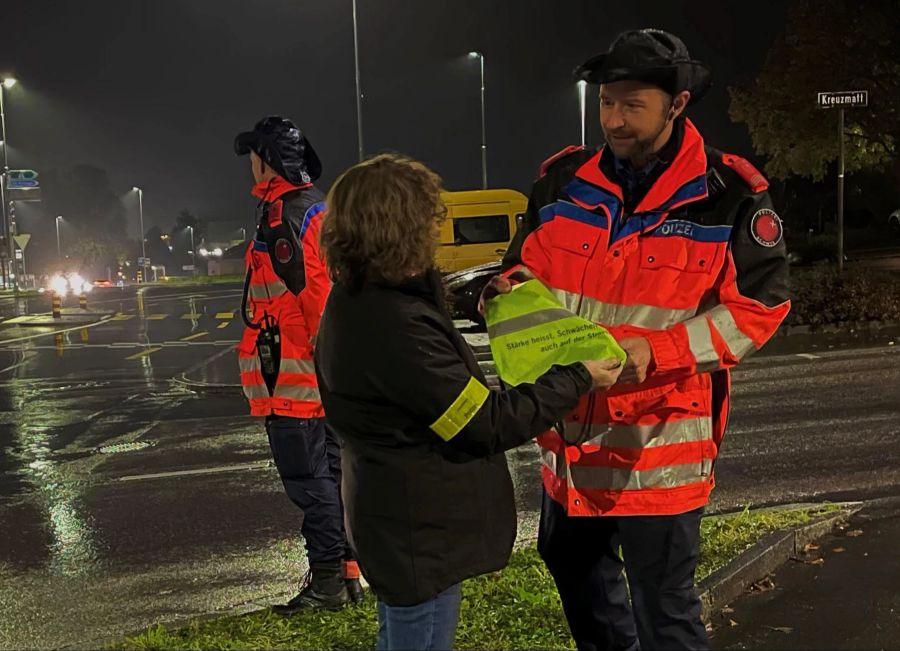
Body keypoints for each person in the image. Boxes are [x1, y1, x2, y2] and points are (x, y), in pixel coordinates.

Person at [490, 29, 791, 651]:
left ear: (677, 105)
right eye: (607, 102)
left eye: (633, 105)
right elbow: (521, 268)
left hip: (659, 454)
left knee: (667, 617)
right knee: (581, 590)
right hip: (571, 450)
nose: (614, 120)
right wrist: (510, 293)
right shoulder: (563, 183)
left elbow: (760, 308)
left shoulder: (728, 196)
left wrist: (659, 351)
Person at [315, 153, 624, 651]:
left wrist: (482, 295)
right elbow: (483, 422)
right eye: (427, 224)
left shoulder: (362, 297)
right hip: (419, 528)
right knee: (420, 636)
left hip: (396, 515)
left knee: (400, 631)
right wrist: (576, 378)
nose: (435, 236)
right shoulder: (395, 325)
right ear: (403, 230)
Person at [233, 116, 362, 612]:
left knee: (310, 481)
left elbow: (315, 295)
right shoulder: (316, 207)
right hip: (315, 374)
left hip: (295, 377)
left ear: (268, 160)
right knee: (331, 474)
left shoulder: (283, 214)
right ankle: (347, 576)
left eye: (253, 156)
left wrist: (322, 364)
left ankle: (328, 583)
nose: (250, 165)